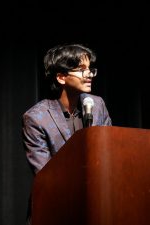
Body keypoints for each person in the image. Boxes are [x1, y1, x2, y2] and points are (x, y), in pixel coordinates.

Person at [22, 43, 112, 224]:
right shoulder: (36, 118)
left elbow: (110, 150)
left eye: (90, 69)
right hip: (56, 209)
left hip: (96, 205)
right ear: (61, 77)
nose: (89, 75)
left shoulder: (97, 104)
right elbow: (45, 174)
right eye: (81, 69)